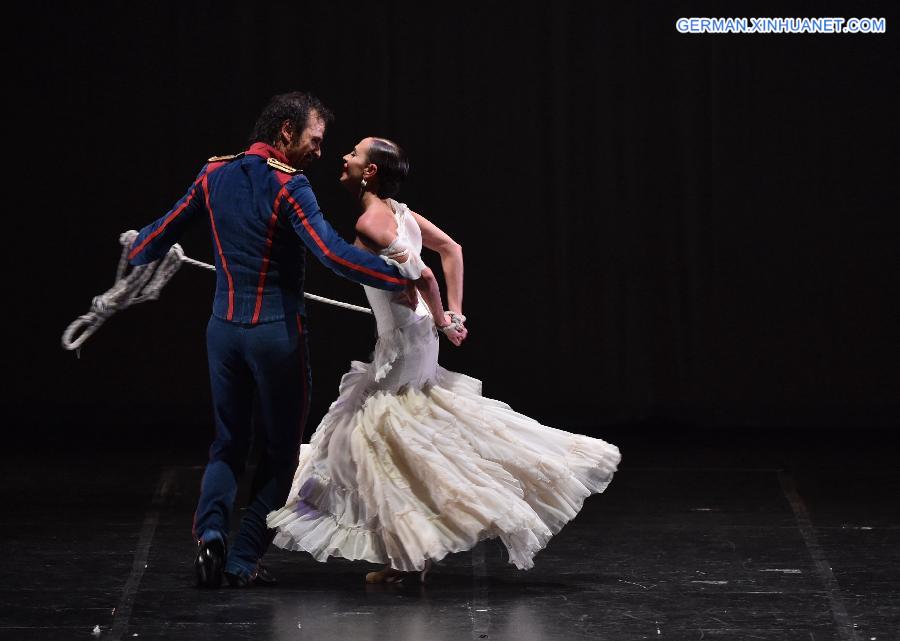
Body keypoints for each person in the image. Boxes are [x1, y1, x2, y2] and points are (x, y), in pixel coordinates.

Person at [267, 137, 621, 583]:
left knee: (377, 437)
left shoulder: (375, 219)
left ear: (370, 171)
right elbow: (451, 249)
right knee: (402, 435)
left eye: (354, 154)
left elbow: (426, 272)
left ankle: (413, 550)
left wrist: (445, 320)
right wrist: (453, 313)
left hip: (405, 340)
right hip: (413, 335)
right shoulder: (398, 211)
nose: (344, 158)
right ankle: (409, 555)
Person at [126, 93, 420, 588]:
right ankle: (242, 559)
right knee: (281, 453)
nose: (320, 152)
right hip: (275, 337)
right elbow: (331, 253)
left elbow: (163, 229)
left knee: (227, 445)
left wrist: (137, 248)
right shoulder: (290, 187)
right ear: (286, 132)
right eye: (314, 140)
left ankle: (211, 535)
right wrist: (399, 276)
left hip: (223, 334)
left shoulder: (213, 173)